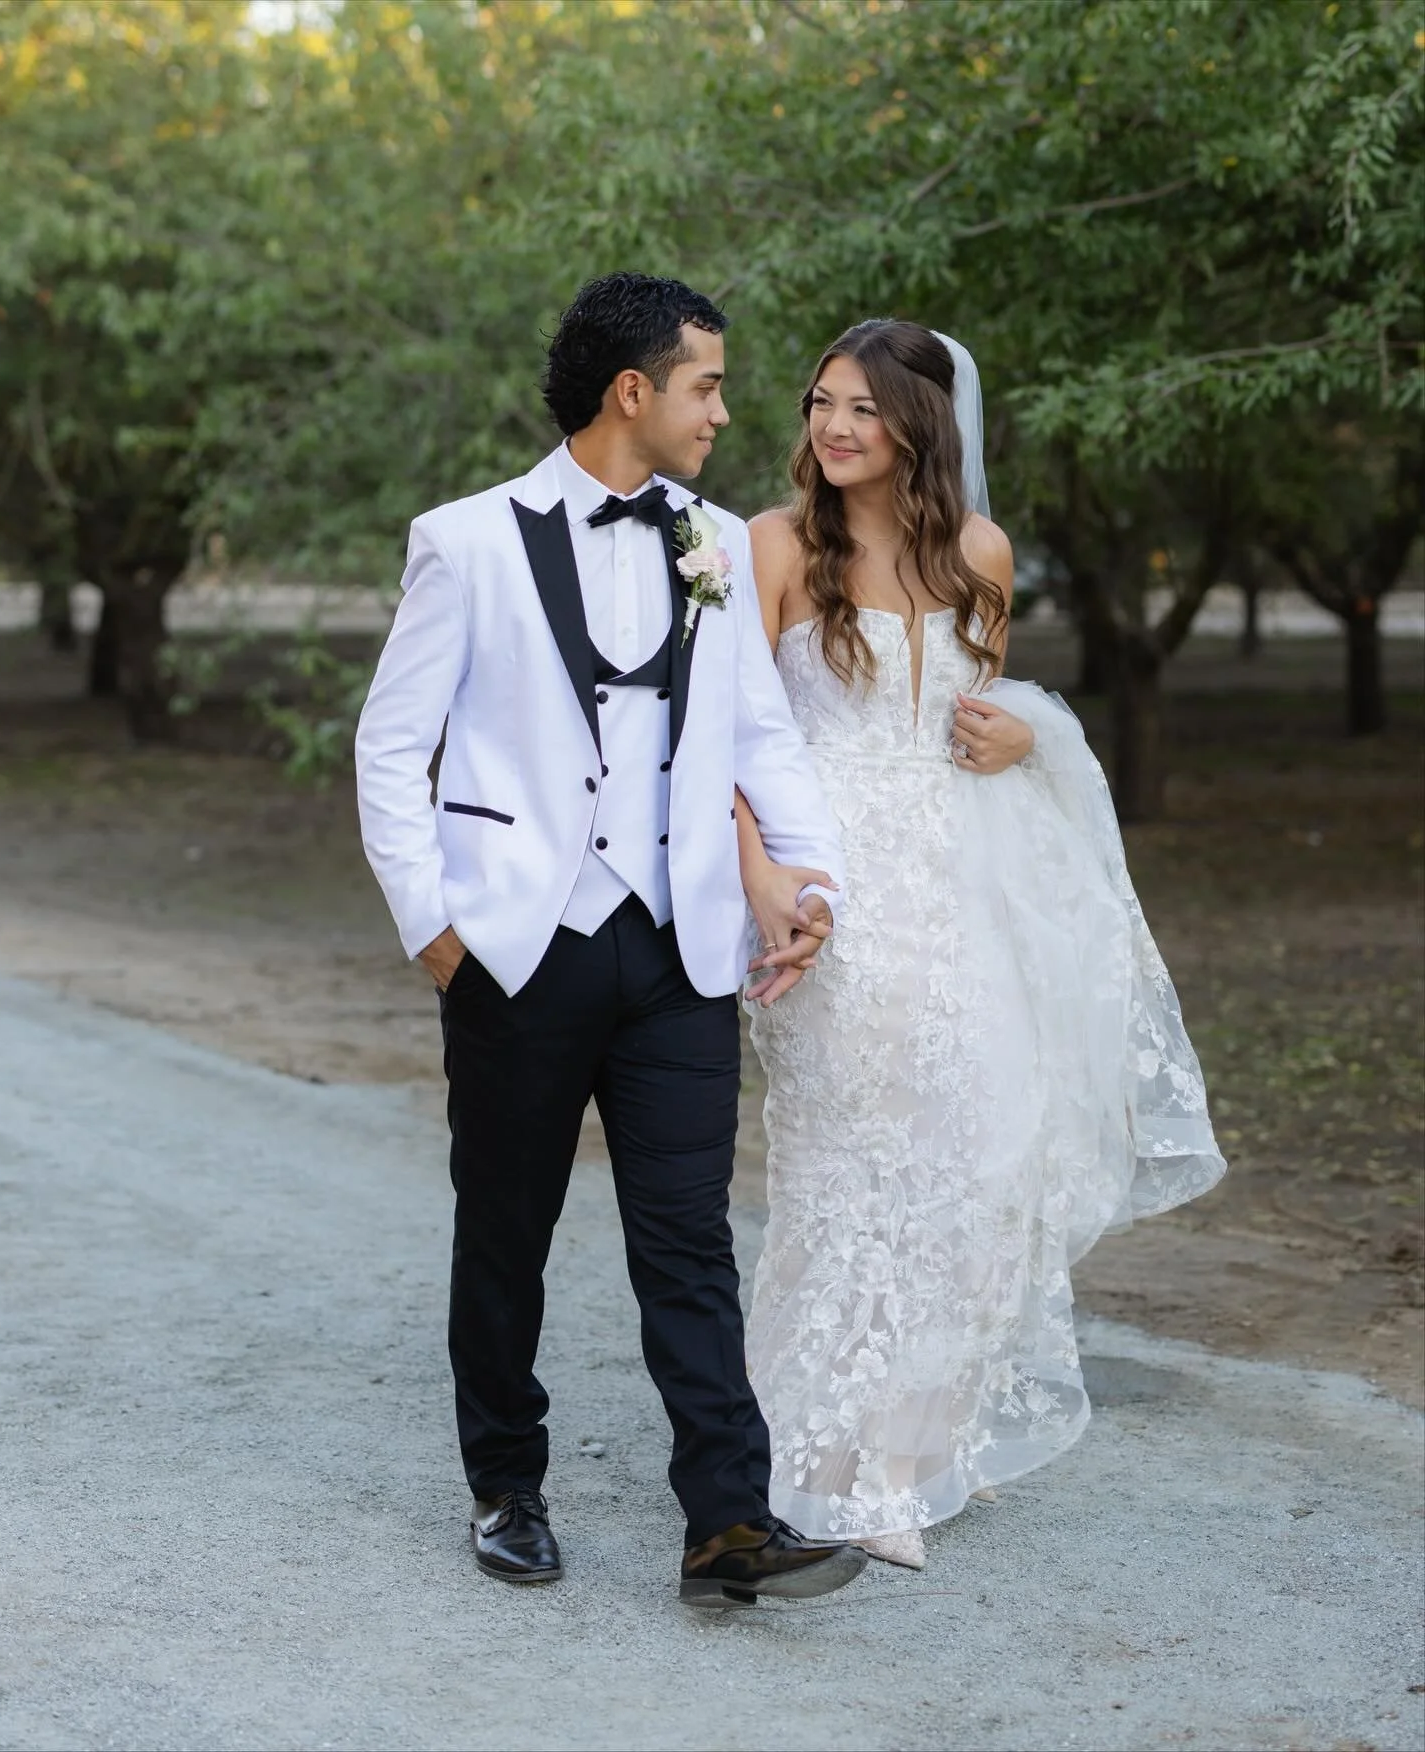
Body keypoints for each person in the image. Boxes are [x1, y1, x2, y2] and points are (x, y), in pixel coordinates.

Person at [354, 272, 867, 1608]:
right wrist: (438, 933)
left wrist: (811, 881)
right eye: (706, 383)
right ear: (631, 391)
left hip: (682, 949)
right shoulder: (466, 543)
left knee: (689, 1237)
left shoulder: (708, 537)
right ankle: (506, 1485)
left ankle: (727, 1523)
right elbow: (391, 748)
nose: (726, 410)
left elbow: (760, 736)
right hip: (519, 948)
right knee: (507, 1229)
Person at [737, 320, 1226, 1570]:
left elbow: (979, 718)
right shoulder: (777, 547)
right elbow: (736, 743)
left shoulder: (982, 554)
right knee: (853, 1171)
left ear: (922, 425)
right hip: (833, 897)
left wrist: (1022, 736)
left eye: (861, 408)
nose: (831, 427)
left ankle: (914, 1436)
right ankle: (824, 1452)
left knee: (981, 1158)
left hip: (965, 889)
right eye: (819, 403)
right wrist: (770, 886)